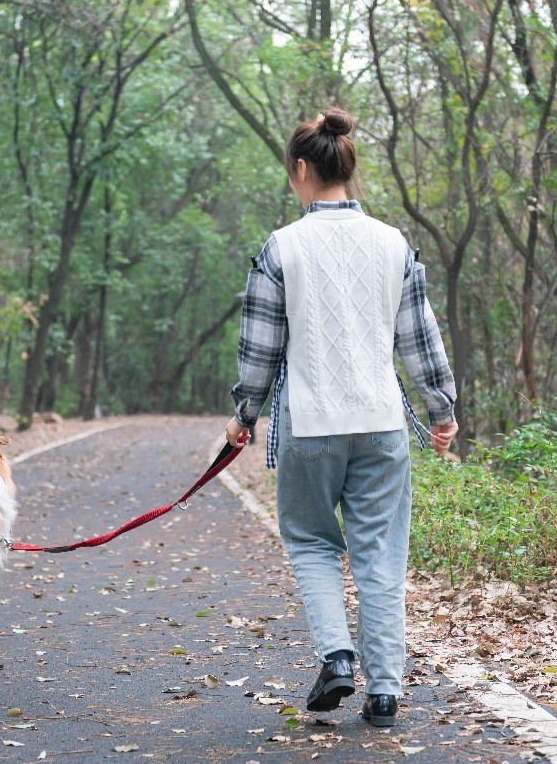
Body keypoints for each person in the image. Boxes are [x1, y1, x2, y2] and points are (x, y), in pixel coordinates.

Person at [225, 108, 458, 728]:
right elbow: (419, 336)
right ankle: (385, 691)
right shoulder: (392, 243)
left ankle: (336, 657)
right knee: (381, 553)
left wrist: (244, 414)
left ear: (302, 169)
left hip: (309, 423)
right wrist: (441, 408)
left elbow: (260, 346)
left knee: (310, 542)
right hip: (381, 422)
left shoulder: (283, 246)